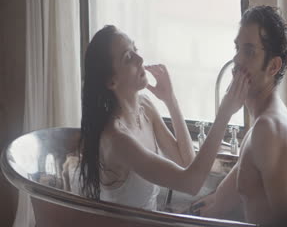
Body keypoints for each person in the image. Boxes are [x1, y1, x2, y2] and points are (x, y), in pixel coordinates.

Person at [78, 25, 250, 211]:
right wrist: (225, 113)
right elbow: (191, 183)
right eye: (128, 57)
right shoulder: (117, 140)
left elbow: (186, 163)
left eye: (135, 49)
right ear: (111, 81)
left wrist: (170, 100)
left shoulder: (145, 107)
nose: (140, 59)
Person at [192, 6, 287, 224]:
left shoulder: (269, 131)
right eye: (237, 48)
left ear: (273, 66)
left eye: (249, 51)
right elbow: (218, 203)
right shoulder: (262, 123)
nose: (237, 60)